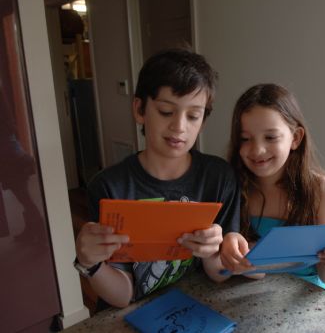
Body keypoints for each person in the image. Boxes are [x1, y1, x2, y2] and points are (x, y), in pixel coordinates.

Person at [74, 48, 240, 308]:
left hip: (194, 309)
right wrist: (89, 263)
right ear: (140, 109)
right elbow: (123, 295)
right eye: (165, 111)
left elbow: (219, 275)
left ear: (203, 121)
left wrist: (211, 254)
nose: (179, 127)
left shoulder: (219, 177)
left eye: (193, 115)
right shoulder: (109, 186)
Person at [220, 83, 325, 290]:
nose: (257, 149)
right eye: (245, 139)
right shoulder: (233, 187)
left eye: (270, 137)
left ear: (296, 138)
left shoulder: (321, 191)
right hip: (249, 296)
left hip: (306, 300)